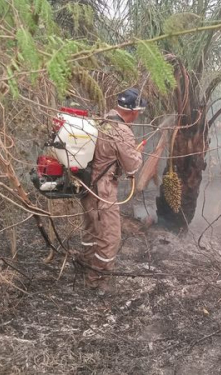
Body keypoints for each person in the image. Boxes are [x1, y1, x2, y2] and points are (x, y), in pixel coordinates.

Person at [78, 88, 146, 291]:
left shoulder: (101, 120)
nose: (138, 115)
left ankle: (85, 268)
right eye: (138, 112)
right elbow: (132, 166)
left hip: (86, 185)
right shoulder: (121, 130)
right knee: (111, 237)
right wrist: (138, 153)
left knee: (92, 231)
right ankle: (97, 282)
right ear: (133, 111)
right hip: (103, 190)